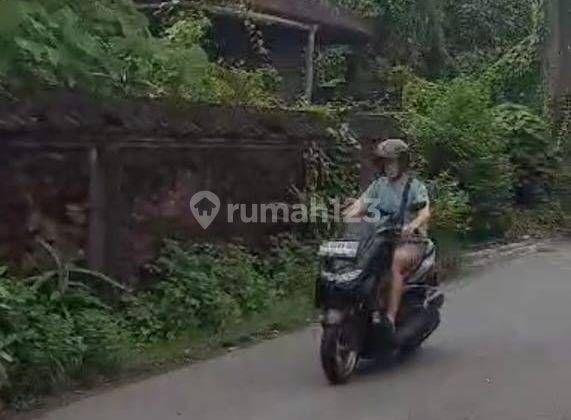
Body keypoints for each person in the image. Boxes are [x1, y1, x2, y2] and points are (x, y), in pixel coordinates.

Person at [343, 138, 431, 332]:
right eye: (384, 162)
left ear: (402, 162)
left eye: (392, 161)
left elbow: (425, 212)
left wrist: (413, 224)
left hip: (409, 241)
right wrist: (348, 216)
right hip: (381, 240)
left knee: (394, 263)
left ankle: (389, 319)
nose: (388, 166)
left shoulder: (414, 186)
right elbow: (360, 205)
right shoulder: (378, 186)